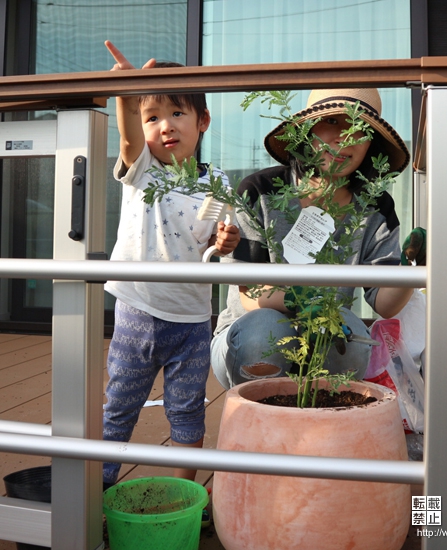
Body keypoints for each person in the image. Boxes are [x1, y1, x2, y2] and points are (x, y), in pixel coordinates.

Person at [211, 87, 418, 390]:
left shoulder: (375, 205)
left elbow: (385, 304)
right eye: (332, 122)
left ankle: (321, 425)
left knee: (353, 339)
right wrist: (310, 302)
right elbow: (251, 293)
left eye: (358, 129)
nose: (343, 138)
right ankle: (260, 429)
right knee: (263, 332)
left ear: (370, 144)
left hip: (325, 334)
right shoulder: (261, 190)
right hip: (245, 338)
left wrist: (411, 265)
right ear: (306, 133)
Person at [102, 41, 240, 487]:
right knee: (120, 405)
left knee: (188, 411)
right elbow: (126, 138)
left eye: (177, 113)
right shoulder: (142, 169)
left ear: (202, 121)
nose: (165, 126)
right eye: (152, 117)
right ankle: (98, 486)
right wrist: (125, 93)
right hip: (138, 308)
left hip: (193, 319)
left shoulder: (217, 181)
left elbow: (218, 239)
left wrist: (226, 238)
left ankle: (183, 495)